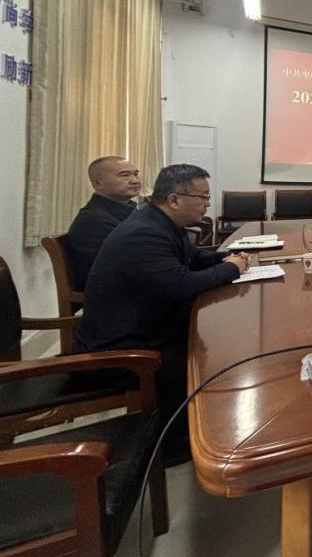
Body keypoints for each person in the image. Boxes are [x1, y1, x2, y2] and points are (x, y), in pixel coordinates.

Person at [73, 164, 249, 461]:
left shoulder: (160, 222)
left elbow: (193, 259)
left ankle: (203, 427)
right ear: (174, 200)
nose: (208, 204)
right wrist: (232, 269)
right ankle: (179, 446)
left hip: (148, 328)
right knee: (214, 353)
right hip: (122, 351)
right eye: (203, 197)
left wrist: (227, 258)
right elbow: (182, 285)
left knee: (220, 337)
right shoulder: (143, 233)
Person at [65, 156, 142, 290]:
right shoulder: (94, 221)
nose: (135, 180)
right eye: (124, 175)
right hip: (113, 292)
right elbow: (128, 265)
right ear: (98, 184)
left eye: (135, 174)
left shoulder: (129, 210)